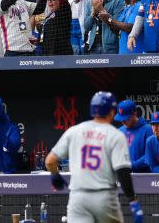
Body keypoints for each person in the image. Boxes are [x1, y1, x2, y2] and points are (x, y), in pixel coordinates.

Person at [45, 92, 144, 223]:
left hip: (78, 199)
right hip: (104, 197)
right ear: (112, 111)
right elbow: (123, 172)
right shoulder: (116, 135)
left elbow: (50, 161)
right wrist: (133, 201)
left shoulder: (74, 130)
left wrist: (55, 176)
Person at [116, 99, 151, 172]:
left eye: (126, 118)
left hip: (144, 177)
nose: (123, 121)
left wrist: (131, 166)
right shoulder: (119, 131)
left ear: (135, 113)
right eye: (121, 119)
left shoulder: (148, 130)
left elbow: (151, 154)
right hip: (124, 176)